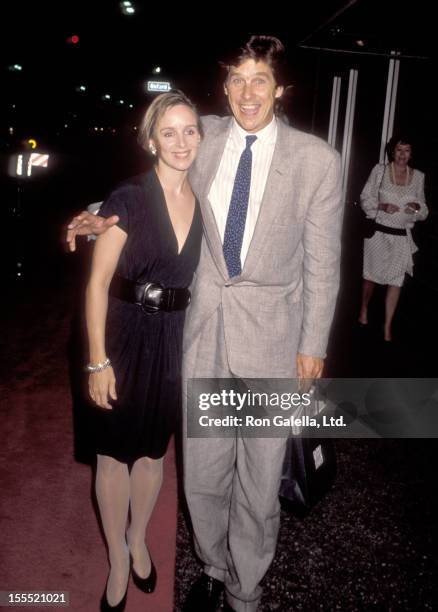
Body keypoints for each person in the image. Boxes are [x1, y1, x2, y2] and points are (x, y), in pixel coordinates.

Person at [67, 35, 343, 612]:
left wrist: (313, 345)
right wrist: (98, 213)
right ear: (224, 88)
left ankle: (246, 588)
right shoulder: (207, 134)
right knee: (204, 474)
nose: (247, 92)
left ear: (280, 89)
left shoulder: (317, 160)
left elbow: (324, 263)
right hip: (200, 336)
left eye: (260, 80)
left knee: (259, 480)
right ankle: (213, 566)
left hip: (274, 339)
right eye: (238, 79)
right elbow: (151, 176)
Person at [84, 90, 202, 611]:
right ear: (151, 139)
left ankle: (137, 538)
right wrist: (97, 360)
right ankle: (115, 558)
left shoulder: (205, 201)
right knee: (112, 456)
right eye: (169, 132)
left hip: (174, 339)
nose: (181, 142)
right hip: (122, 335)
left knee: (154, 453)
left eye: (189, 130)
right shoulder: (129, 196)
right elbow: (96, 284)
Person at [358, 135, 428, 341]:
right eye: (399, 150)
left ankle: (387, 326)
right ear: (392, 151)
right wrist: (382, 206)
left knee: (396, 281)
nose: (402, 155)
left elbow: (423, 210)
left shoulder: (418, 177)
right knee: (370, 277)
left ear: (411, 154)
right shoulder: (379, 171)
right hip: (378, 233)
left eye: (407, 151)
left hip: (401, 237)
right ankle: (363, 308)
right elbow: (365, 198)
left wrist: (416, 207)